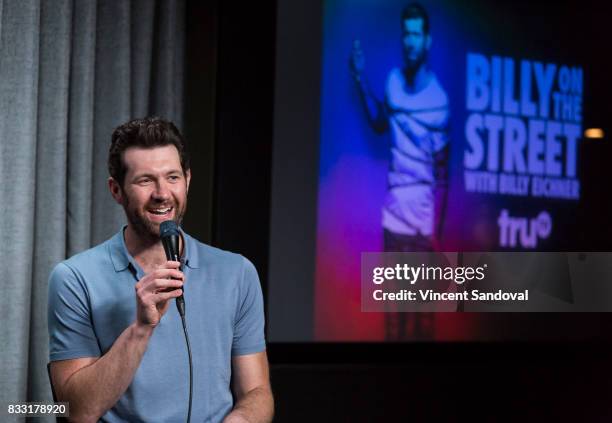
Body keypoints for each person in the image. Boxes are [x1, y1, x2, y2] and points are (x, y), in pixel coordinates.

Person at [47, 117, 273, 422]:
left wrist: (241, 419)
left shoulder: (238, 273)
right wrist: (141, 329)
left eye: (172, 177)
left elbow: (256, 393)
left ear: (188, 180)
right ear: (116, 190)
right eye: (145, 180)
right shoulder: (74, 279)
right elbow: (77, 411)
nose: (162, 193)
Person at [350, 3, 450, 339]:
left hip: (422, 226)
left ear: (427, 41)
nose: (409, 41)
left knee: (421, 325)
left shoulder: (439, 101)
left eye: (416, 34)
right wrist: (361, 78)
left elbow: (443, 175)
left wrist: (435, 234)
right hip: (392, 219)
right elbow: (381, 122)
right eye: (405, 34)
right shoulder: (393, 82)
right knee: (393, 324)